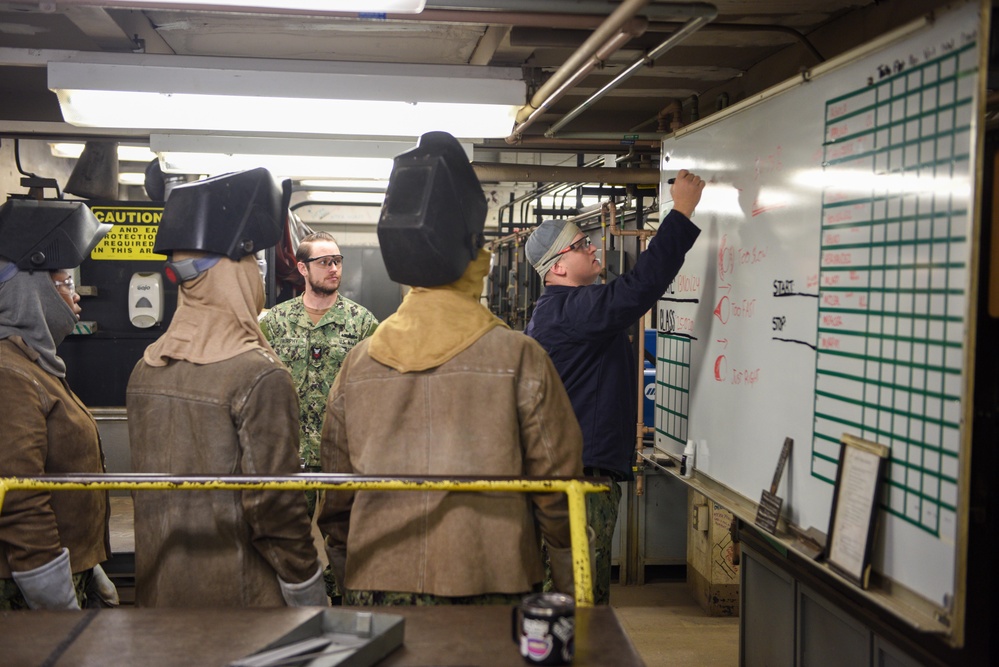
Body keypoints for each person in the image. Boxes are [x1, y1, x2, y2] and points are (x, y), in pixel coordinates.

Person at [317, 132, 584, 605]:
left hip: (378, 584)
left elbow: (336, 500)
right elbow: (559, 495)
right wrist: (568, 584)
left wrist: (348, 568)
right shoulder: (519, 359)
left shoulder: (357, 366)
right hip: (489, 585)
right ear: (475, 257)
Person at [126, 168, 325, 608]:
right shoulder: (258, 376)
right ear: (233, 271)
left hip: (160, 599)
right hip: (241, 607)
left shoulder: (146, 368)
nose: (257, 276)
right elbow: (274, 512)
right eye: (253, 263)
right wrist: (309, 591)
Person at [524, 169, 705, 605]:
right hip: (580, 478)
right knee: (580, 596)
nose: (593, 247)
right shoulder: (571, 309)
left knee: (573, 591)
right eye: (581, 244)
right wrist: (680, 213)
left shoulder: (563, 312)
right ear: (559, 266)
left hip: (576, 472)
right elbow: (640, 288)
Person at [0, 198, 119, 610]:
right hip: (23, 591)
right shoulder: (8, 375)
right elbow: (19, 500)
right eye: (66, 284)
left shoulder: (33, 363)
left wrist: (89, 563)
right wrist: (57, 604)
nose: (76, 297)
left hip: (68, 568)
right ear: (32, 290)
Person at [259, 231, 378, 485]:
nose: (334, 269)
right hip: (288, 452)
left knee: (340, 525)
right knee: (287, 524)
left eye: (337, 261)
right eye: (324, 262)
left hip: (342, 453)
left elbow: (375, 389)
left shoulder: (362, 322)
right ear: (303, 268)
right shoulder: (275, 321)